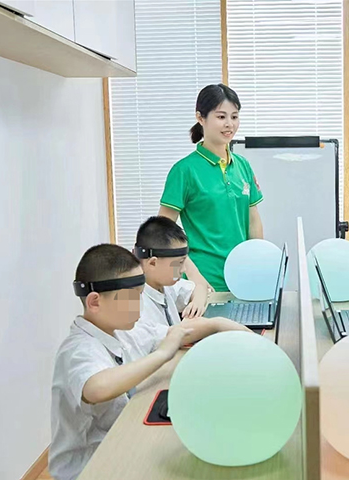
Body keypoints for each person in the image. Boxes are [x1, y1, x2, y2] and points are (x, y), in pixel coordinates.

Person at [49, 244, 247, 480]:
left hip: (124, 439)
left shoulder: (123, 330)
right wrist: (161, 355)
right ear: (94, 302)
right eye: (131, 298)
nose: (139, 307)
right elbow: (96, 388)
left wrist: (219, 324)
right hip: (91, 466)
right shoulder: (78, 349)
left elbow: (178, 332)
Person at [159, 84, 264, 292]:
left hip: (243, 279)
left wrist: (259, 265)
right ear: (200, 118)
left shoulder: (243, 166)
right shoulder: (184, 171)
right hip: (205, 284)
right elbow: (162, 231)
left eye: (234, 117)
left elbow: (253, 222)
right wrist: (192, 274)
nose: (229, 124)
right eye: (221, 117)